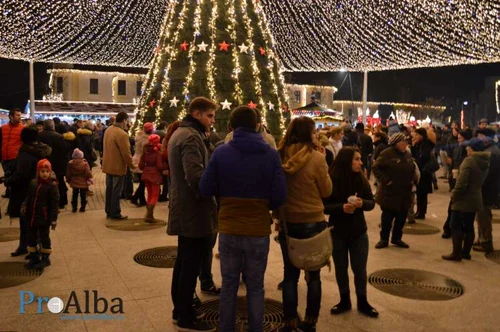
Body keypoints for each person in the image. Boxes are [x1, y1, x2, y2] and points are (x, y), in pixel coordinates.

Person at [199, 106, 286, 332]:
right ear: (258, 126)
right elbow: (279, 197)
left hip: (229, 226)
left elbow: (205, 188)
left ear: (230, 127)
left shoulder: (221, 152)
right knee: (256, 286)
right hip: (258, 229)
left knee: (228, 285)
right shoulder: (271, 154)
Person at [277, 117, 332, 332]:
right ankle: (310, 322)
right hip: (313, 221)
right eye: (314, 131)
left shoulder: (280, 155)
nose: (316, 135)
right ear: (308, 133)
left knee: (290, 276)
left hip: (288, 222)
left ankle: (289, 322)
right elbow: (327, 191)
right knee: (313, 275)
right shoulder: (318, 158)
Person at [167, 97, 218, 332]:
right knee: (190, 264)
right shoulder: (190, 136)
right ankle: (185, 315)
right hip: (193, 210)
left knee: (184, 261)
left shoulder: (183, 132)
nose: (212, 121)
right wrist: (214, 190)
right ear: (197, 114)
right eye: (209, 116)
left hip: (186, 207)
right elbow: (195, 177)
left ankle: (180, 309)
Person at [324, 147, 378, 318]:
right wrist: (341, 208)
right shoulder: (331, 180)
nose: (361, 162)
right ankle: (344, 300)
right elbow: (323, 206)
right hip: (337, 231)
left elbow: (372, 202)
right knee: (341, 268)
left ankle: (363, 302)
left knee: (360, 269)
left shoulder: (361, 179)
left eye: (360, 159)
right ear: (346, 161)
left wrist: (363, 204)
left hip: (358, 232)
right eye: (357, 159)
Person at [7, 127, 51, 257]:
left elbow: (21, 174)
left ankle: (29, 247)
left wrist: (8, 181)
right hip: (36, 188)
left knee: (26, 220)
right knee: (31, 219)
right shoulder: (40, 151)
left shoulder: (26, 153)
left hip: (25, 190)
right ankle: (29, 246)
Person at [443, 138, 490, 261]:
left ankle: (456, 253)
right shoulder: (485, 161)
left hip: (463, 199)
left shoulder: (469, 161)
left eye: (468, 147)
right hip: (476, 197)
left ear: (471, 148)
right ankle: (466, 253)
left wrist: (454, 195)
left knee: (455, 225)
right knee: (469, 226)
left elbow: (462, 183)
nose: (466, 149)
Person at [373, 133, 417, 249]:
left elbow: (413, 168)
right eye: (403, 142)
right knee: (387, 218)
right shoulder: (386, 154)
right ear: (396, 143)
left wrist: (413, 180)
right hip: (390, 193)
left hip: (405, 193)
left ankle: (397, 238)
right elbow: (376, 167)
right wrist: (386, 180)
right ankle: (384, 239)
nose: (406, 144)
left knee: (401, 218)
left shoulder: (407, 154)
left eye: (406, 142)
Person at [22, 159, 59, 270]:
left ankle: (45, 258)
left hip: (44, 217)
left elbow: (54, 204)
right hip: (32, 216)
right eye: (42, 171)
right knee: (31, 237)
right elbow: (29, 197)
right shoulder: (33, 183)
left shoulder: (52, 185)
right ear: (38, 172)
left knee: (44, 237)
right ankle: (34, 257)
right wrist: (24, 205)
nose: (44, 174)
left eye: (47, 171)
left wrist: (53, 219)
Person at [102, 112, 135, 220]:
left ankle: (109, 211)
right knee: (116, 191)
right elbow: (126, 153)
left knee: (110, 190)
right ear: (124, 120)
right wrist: (132, 165)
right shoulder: (122, 134)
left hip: (108, 165)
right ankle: (115, 212)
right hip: (117, 166)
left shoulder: (108, 130)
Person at [473, 128, 500, 253]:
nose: (479, 139)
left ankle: (486, 242)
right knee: (481, 215)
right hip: (486, 188)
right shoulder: (489, 150)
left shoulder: (492, 152)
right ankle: (482, 238)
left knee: (484, 216)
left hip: (487, 189)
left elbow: (489, 174)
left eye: (481, 136)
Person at [442, 129, 472, 238]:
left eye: (461, 138)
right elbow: (454, 162)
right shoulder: (458, 148)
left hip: (462, 183)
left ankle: (452, 231)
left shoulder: (469, 152)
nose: (459, 139)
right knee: (453, 208)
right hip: (456, 178)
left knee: (457, 209)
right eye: (458, 138)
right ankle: (449, 229)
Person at [38, 119, 69, 209]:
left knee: (44, 182)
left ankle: (47, 202)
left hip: (44, 163)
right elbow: (64, 150)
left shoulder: (39, 135)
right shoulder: (59, 136)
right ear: (53, 126)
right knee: (59, 182)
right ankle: (62, 202)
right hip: (58, 164)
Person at [139, 134, 167, 222]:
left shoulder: (145, 151)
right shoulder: (157, 153)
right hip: (154, 176)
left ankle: (149, 214)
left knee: (150, 195)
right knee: (155, 195)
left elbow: (141, 166)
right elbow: (159, 166)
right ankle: (149, 215)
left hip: (146, 175)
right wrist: (167, 166)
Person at [411, 128, 435, 220]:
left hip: (424, 172)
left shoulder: (425, 145)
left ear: (421, 135)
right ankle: (419, 211)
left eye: (416, 135)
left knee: (422, 193)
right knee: (420, 193)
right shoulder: (419, 144)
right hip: (421, 171)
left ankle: (421, 212)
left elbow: (423, 158)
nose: (415, 136)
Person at [0, 108, 23, 198]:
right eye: (17, 115)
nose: (19, 117)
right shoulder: (3, 128)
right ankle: (10, 194)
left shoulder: (22, 129)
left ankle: (13, 199)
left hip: (15, 158)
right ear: (11, 116)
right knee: (7, 177)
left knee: (14, 180)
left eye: (20, 115)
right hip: (4, 158)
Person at [131, 122, 154, 206]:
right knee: (143, 182)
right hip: (142, 161)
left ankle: (142, 200)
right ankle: (135, 197)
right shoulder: (146, 139)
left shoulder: (139, 137)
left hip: (136, 159)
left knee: (142, 181)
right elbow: (146, 151)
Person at [66, 148, 93, 213]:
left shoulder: (70, 164)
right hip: (83, 182)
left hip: (74, 181)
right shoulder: (85, 164)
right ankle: (83, 207)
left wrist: (68, 180)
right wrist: (90, 177)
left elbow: (68, 174)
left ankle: (74, 208)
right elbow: (88, 173)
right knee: (83, 195)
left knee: (74, 195)